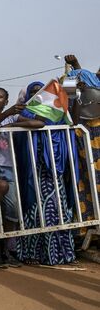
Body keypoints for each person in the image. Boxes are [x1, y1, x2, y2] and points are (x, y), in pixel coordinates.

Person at [0, 87, 44, 267]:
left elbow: (39, 123)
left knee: (12, 210)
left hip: (9, 165)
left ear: (6, 100)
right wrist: (6, 115)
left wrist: (13, 124)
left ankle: (8, 248)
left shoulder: (13, 117)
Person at [14, 81, 77, 266]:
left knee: (58, 209)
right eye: (33, 92)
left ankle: (61, 252)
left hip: (55, 169)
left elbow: (52, 123)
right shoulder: (24, 112)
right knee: (34, 209)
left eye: (40, 91)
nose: (37, 95)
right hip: (34, 169)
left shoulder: (56, 112)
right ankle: (31, 252)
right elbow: (33, 123)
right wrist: (28, 120)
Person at [65, 58, 100, 235]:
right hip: (85, 135)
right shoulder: (82, 79)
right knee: (88, 183)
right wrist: (77, 88)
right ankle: (89, 228)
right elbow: (70, 95)